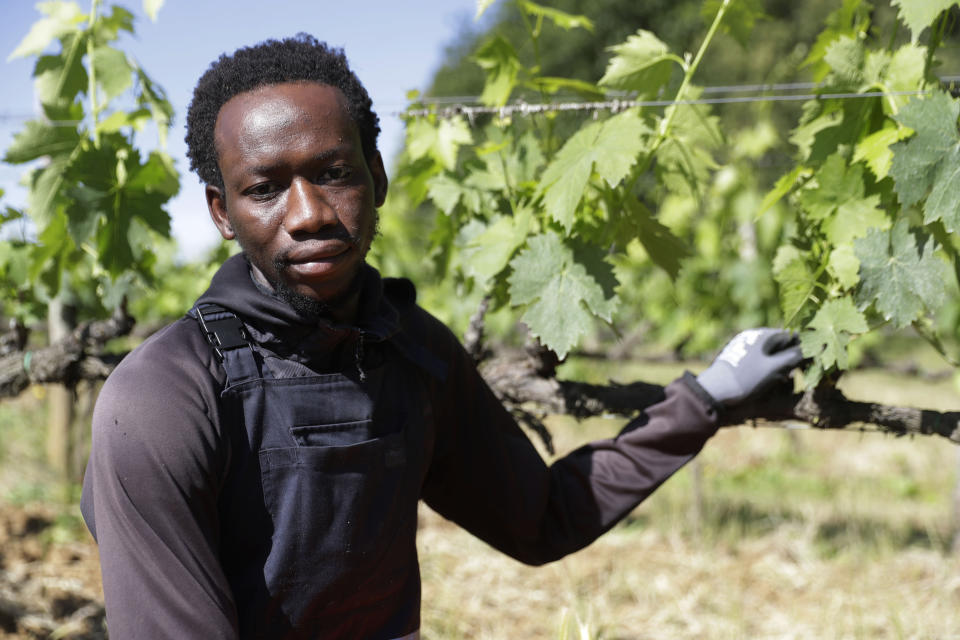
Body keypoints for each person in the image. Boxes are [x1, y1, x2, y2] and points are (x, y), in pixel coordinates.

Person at [80, 34, 802, 640]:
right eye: (266, 188)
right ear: (222, 212)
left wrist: (702, 401)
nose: (308, 214)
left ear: (379, 177)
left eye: (334, 174)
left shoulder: (411, 353)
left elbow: (541, 518)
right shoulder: (161, 400)